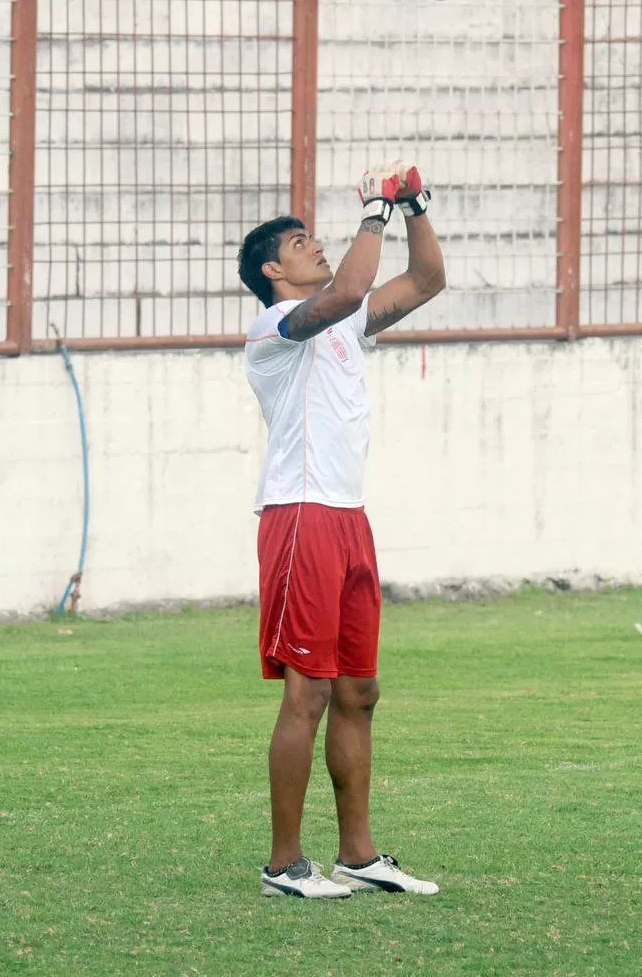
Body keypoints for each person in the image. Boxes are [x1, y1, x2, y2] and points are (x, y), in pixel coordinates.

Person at [238, 162, 445, 899]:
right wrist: (372, 210)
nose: (315, 247)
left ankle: (357, 854)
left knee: (358, 690)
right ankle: (284, 866)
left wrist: (413, 206)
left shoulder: (344, 319)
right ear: (271, 269)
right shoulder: (273, 327)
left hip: (349, 519)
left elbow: (424, 282)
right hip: (300, 519)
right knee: (308, 693)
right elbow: (350, 289)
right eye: (300, 243)